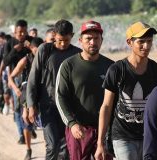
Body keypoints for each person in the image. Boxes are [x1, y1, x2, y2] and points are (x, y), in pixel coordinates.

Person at [95, 21, 157, 160]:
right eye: (141, 42)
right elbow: (106, 106)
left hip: (149, 136)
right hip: (122, 137)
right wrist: (100, 143)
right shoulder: (117, 70)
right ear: (129, 42)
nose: (147, 46)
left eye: (150, 41)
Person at [55, 20, 114, 160]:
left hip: (104, 129)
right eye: (88, 38)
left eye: (96, 38)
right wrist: (72, 123)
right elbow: (60, 97)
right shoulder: (68, 66)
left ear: (102, 40)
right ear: (80, 41)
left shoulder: (111, 66)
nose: (92, 42)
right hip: (79, 129)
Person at [27, 19, 82, 160]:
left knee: (66, 149)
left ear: (72, 35)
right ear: (54, 35)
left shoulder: (78, 54)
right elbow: (33, 78)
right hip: (48, 106)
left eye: (66, 40)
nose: (63, 44)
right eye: (59, 40)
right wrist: (31, 105)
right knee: (52, 145)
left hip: (68, 108)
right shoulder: (44, 50)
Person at [8, 37, 44, 160]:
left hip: (42, 94)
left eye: (40, 50)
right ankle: (28, 149)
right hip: (27, 94)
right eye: (36, 50)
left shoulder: (46, 59)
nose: (38, 52)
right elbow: (11, 77)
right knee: (27, 123)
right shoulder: (26, 60)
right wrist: (16, 89)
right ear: (31, 48)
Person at [3, 19, 33, 145]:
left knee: (30, 106)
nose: (22, 35)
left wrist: (30, 47)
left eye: (24, 32)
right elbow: (5, 61)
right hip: (16, 80)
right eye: (19, 32)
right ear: (15, 32)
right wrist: (15, 50)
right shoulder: (10, 43)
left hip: (30, 79)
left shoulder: (31, 41)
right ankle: (21, 134)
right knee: (17, 108)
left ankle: (29, 128)